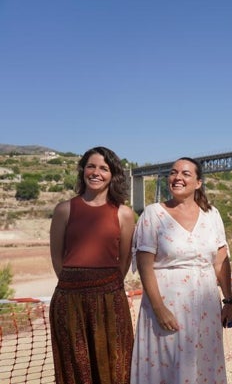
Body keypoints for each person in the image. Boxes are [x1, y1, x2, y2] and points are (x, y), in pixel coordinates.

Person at [131, 157, 232, 384]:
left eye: (186, 174)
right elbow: (144, 262)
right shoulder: (153, 213)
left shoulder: (212, 215)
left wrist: (228, 302)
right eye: (173, 172)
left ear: (198, 183)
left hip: (206, 308)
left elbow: (220, 261)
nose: (177, 178)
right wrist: (159, 309)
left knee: (203, 365)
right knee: (168, 368)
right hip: (168, 306)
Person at [49, 146, 135, 384]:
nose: (96, 173)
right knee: (75, 368)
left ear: (112, 175)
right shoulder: (64, 210)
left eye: (103, 168)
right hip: (69, 300)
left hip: (111, 299)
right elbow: (57, 258)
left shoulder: (124, 214)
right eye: (91, 166)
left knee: (116, 366)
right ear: (83, 170)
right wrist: (75, 285)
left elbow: (125, 259)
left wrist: (105, 287)